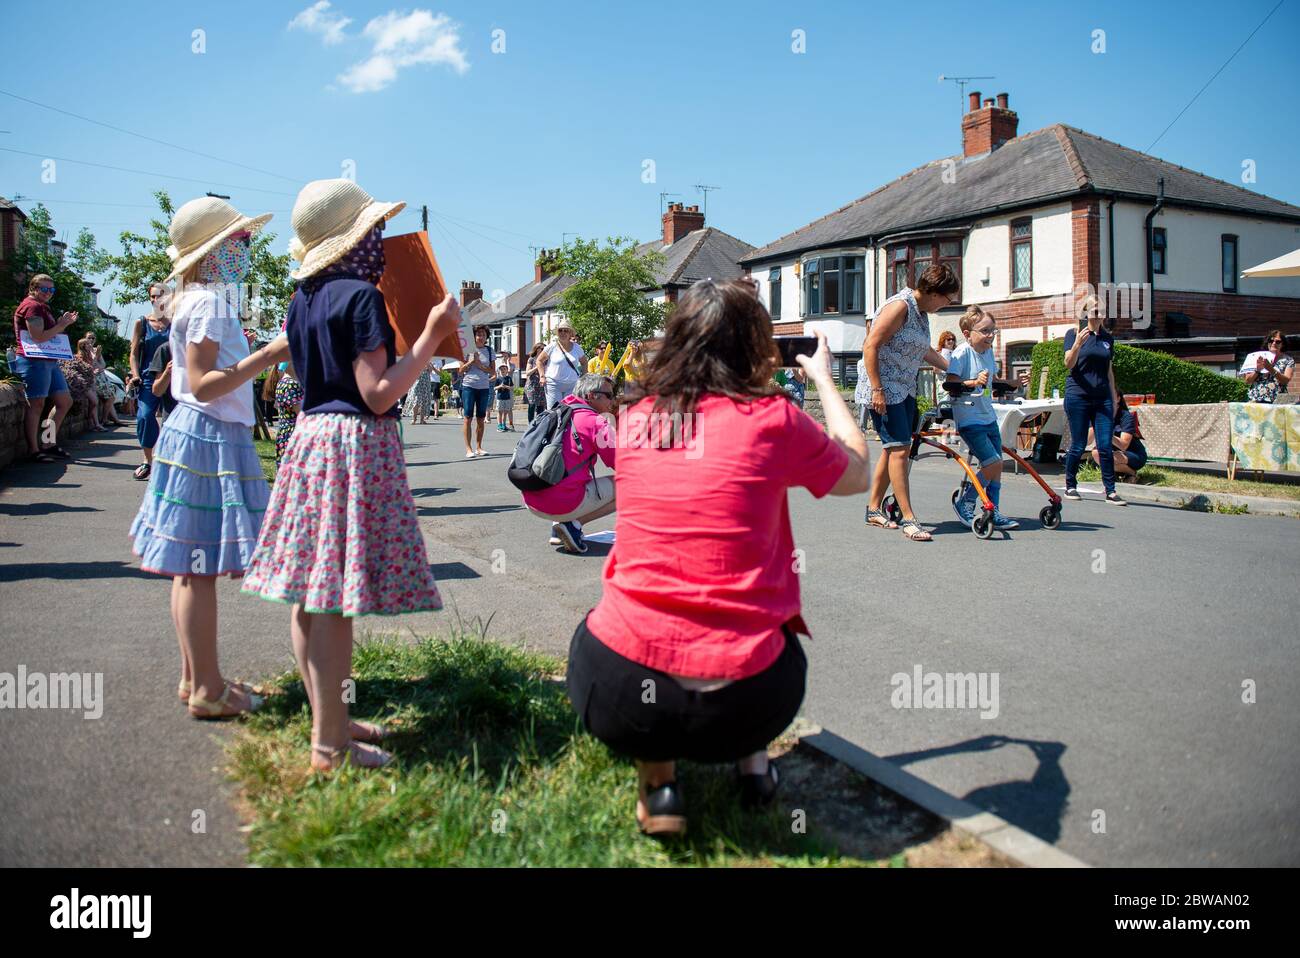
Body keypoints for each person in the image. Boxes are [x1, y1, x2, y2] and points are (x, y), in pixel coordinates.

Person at [566, 279, 871, 836]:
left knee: (624, 623)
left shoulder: (636, 420)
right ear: (757, 347)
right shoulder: (772, 418)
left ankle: (660, 787)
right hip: (749, 698)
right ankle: (753, 765)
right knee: (761, 625)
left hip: (623, 690)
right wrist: (826, 382)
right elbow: (858, 473)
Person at [243, 178, 461, 771]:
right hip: (351, 444)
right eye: (373, 231)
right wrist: (433, 335)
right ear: (353, 240)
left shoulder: (304, 297)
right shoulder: (362, 297)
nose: (382, 241)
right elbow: (381, 394)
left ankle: (328, 719)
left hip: (310, 441)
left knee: (310, 597)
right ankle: (330, 747)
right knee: (335, 601)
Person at [128, 196, 288, 720]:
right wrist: (269, 354)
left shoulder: (194, 299)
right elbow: (201, 382)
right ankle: (208, 690)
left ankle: (195, 677)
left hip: (194, 433)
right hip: (208, 435)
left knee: (187, 569)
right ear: (214, 251)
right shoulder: (211, 304)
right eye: (238, 242)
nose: (246, 249)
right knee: (197, 571)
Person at [862, 264, 958, 540]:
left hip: (904, 387)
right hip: (885, 386)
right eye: (947, 299)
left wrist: (950, 368)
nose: (947, 305)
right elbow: (870, 345)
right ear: (933, 292)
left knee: (892, 449)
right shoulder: (900, 306)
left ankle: (873, 510)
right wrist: (877, 389)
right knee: (900, 451)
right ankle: (908, 518)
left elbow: (921, 348)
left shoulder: (921, 313)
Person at [522, 373, 617, 554]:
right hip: (562, 502)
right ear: (590, 396)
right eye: (609, 395)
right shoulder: (595, 421)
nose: (612, 401)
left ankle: (559, 528)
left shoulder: (555, 411)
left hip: (532, 497)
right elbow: (620, 462)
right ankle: (572, 524)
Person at [946, 306, 1018, 530]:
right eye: (985, 331)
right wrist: (973, 382)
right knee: (993, 462)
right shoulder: (961, 353)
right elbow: (950, 384)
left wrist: (1011, 384)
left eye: (993, 331)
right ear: (968, 334)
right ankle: (965, 501)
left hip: (988, 416)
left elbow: (991, 383)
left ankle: (993, 510)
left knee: (997, 467)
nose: (990, 336)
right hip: (969, 418)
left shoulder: (988, 353)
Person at [1062, 294, 1125, 505]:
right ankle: (1070, 485)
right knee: (1079, 445)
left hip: (1102, 399)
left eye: (1102, 311)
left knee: (1105, 445)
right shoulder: (1074, 333)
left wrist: (1113, 397)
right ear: (1086, 313)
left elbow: (1109, 371)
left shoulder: (1108, 338)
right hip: (1078, 397)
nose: (1099, 314)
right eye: (1095, 310)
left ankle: (1111, 490)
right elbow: (1068, 364)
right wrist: (1078, 344)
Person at [10, 273, 77, 463]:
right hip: (33, 361)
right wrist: (61, 325)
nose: (48, 293)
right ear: (33, 288)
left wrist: (61, 324)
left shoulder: (42, 307)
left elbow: (47, 335)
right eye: (44, 289)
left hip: (48, 360)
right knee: (37, 405)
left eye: (51, 290)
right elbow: (38, 336)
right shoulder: (32, 306)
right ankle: (34, 450)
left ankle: (48, 443)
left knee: (64, 401)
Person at [128, 283, 173, 480]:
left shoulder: (176, 322)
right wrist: (135, 374)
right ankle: (148, 460)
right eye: (153, 296)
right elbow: (133, 353)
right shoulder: (142, 322)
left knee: (171, 420)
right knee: (145, 417)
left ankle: (168, 461)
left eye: (161, 295)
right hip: (147, 377)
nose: (156, 299)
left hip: (172, 377)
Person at [1091, 394, 1147, 478]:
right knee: (1096, 453)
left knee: (1108, 458)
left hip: (1134, 454)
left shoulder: (1126, 417)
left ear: (1118, 399)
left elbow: (1123, 445)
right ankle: (1119, 474)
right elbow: (1087, 441)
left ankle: (1132, 474)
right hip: (1114, 454)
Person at [460, 326, 495, 456]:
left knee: (481, 418)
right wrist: (471, 362)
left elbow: (492, 371)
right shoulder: (466, 350)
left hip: (484, 387)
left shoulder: (490, 351)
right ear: (474, 336)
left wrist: (480, 366)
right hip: (469, 385)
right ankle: (468, 449)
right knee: (468, 417)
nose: (481, 337)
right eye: (479, 334)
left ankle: (479, 447)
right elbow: (460, 370)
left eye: (484, 335)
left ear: (487, 337)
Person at [539, 320, 586, 409]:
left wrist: (584, 378)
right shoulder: (551, 346)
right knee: (554, 411)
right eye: (560, 330)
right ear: (557, 333)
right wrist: (542, 376)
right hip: (553, 384)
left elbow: (584, 363)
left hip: (572, 384)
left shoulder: (577, 348)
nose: (563, 333)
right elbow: (539, 361)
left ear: (570, 333)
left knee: (570, 410)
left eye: (566, 330)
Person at [63, 335, 104, 432]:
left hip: (91, 381)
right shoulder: (79, 356)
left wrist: (96, 356)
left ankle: (94, 423)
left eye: (90, 343)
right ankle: (93, 422)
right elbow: (86, 368)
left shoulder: (89, 355)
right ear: (82, 346)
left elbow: (96, 366)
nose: (90, 345)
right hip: (84, 383)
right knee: (94, 401)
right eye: (88, 344)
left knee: (94, 402)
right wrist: (96, 357)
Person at [1242, 331, 1294, 404]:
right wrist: (1257, 370)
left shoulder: (1288, 360)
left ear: (1282, 344)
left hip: (1278, 401)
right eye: (1271, 341)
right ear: (1267, 342)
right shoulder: (1256, 357)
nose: (1274, 343)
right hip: (1256, 400)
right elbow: (1248, 381)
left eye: (1278, 342)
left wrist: (1271, 369)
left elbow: (1285, 381)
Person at [273, 361, 303, 465]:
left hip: (284, 432)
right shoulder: (292, 384)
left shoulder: (282, 382)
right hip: (294, 433)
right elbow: (301, 413)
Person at [146, 337, 179, 424]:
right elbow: (157, 391)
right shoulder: (166, 349)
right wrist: (167, 372)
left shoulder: (209, 350)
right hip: (173, 418)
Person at [522, 342, 545, 423]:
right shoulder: (531, 359)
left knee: (541, 406)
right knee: (532, 405)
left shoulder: (545, 360)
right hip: (532, 385)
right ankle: (530, 423)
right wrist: (537, 367)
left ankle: (539, 424)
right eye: (542, 349)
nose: (543, 350)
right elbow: (527, 372)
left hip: (541, 385)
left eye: (544, 349)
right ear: (537, 349)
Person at [493, 362, 516, 432]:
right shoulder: (498, 379)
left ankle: (504, 424)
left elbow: (512, 387)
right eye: (501, 369)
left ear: (507, 370)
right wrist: (500, 386)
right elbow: (494, 388)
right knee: (500, 412)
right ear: (499, 370)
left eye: (504, 369)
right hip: (500, 398)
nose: (503, 370)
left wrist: (506, 386)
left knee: (506, 412)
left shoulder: (508, 378)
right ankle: (499, 425)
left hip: (507, 398)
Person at [410, 359, 435, 424]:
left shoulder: (428, 361)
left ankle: (422, 419)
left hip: (426, 383)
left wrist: (427, 363)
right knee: (416, 401)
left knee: (424, 401)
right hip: (417, 383)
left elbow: (430, 370)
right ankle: (414, 419)